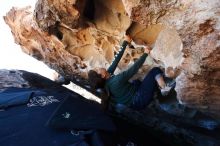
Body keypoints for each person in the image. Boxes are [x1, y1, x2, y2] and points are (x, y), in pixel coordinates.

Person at [88, 35, 175, 110]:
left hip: (133, 103)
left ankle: (154, 91)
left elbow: (116, 60)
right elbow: (134, 69)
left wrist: (125, 42)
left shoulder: (107, 78)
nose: (98, 68)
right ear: (102, 75)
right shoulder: (116, 81)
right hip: (139, 100)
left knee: (136, 82)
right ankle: (164, 89)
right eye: (97, 70)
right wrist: (145, 53)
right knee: (155, 71)